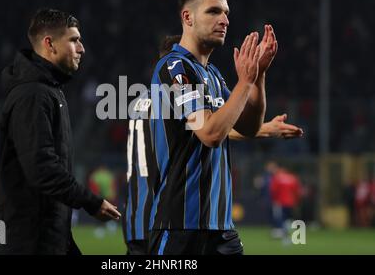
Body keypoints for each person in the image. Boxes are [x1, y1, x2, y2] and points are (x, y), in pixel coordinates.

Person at [123, 35, 301, 255]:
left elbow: (215, 125)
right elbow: (209, 129)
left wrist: (261, 126)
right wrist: (262, 129)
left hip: (171, 217)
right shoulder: (167, 98)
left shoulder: (159, 101)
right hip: (157, 214)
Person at [147, 0, 278, 255]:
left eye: (226, 13)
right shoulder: (175, 68)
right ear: (188, 17)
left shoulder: (214, 76)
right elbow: (210, 134)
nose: (225, 20)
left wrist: (258, 77)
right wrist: (244, 83)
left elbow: (249, 126)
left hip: (220, 226)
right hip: (180, 225)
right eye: (214, 11)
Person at [0, 8, 121, 255]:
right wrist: (91, 202)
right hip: (28, 241)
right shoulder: (33, 95)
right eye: (74, 40)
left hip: (49, 235)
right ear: (49, 44)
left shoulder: (50, 91)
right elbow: (42, 169)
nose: (81, 48)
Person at [269, 163, 302, 242]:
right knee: (288, 218)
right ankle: (288, 233)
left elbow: (273, 190)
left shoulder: (277, 178)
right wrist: (297, 201)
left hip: (280, 202)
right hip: (291, 202)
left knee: (280, 217)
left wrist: (274, 200)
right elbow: (297, 191)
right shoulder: (293, 178)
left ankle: (282, 232)